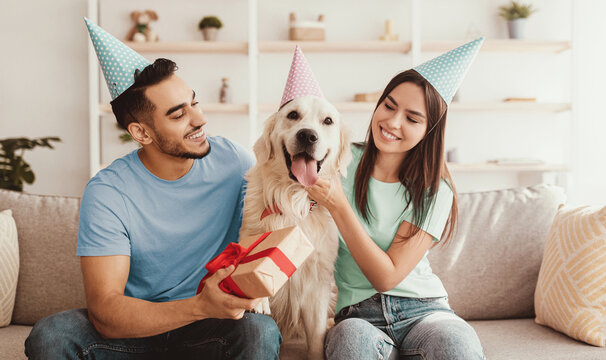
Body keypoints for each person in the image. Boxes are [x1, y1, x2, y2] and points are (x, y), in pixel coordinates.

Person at [24, 19, 281, 360]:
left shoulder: (233, 161)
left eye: (194, 102)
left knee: (259, 331)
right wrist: (198, 306)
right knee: (52, 335)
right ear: (141, 133)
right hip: (136, 331)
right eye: (178, 115)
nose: (199, 119)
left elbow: (272, 214)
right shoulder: (108, 192)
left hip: (210, 330)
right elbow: (105, 312)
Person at [305, 38, 486, 359]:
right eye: (389, 105)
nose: (392, 122)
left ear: (430, 130)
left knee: (456, 342)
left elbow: (386, 277)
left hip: (424, 311)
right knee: (350, 341)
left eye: (412, 118)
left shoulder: (435, 189)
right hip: (358, 314)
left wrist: (338, 205)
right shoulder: (337, 160)